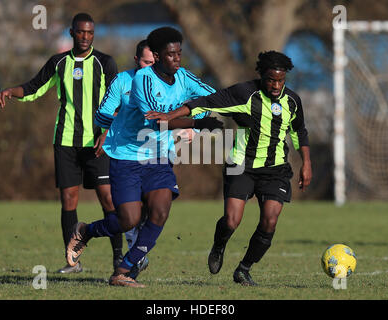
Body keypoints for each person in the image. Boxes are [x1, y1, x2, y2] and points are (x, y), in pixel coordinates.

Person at [65, 26, 223, 288]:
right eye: (170, 54)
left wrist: (236, 109)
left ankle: (124, 270)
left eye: (179, 53)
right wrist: (197, 123)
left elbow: (213, 97)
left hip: (158, 156)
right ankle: (86, 231)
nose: (177, 59)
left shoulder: (183, 77)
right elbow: (156, 122)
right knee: (129, 219)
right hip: (127, 156)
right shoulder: (140, 80)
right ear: (155, 58)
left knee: (160, 211)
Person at [146, 50, 312, 286]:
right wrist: (169, 115)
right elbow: (203, 102)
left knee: (270, 221)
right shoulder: (243, 94)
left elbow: (299, 131)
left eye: (280, 81)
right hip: (241, 165)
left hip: (275, 169)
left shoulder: (292, 100)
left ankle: (244, 269)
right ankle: (219, 245)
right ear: (261, 76)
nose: (276, 85)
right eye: (271, 80)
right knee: (232, 221)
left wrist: (307, 162)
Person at [0, 13, 123, 274]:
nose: (85, 37)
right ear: (71, 32)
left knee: (108, 199)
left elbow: (117, 100)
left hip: (97, 140)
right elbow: (33, 87)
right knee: (68, 198)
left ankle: (119, 258)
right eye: (80, 32)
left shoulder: (105, 62)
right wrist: (11, 91)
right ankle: (72, 260)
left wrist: (107, 132)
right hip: (65, 140)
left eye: (90, 32)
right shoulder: (58, 63)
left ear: (93, 34)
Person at [94, 39, 155, 279]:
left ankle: (135, 251)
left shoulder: (169, 80)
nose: (149, 67)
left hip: (155, 152)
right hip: (125, 154)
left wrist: (192, 127)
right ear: (136, 60)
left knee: (154, 207)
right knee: (129, 213)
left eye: (153, 62)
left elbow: (191, 105)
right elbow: (104, 113)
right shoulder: (122, 81)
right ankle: (133, 256)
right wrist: (113, 125)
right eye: (145, 62)